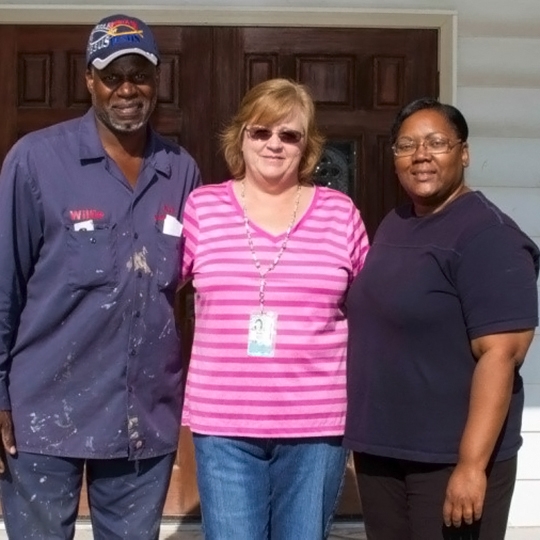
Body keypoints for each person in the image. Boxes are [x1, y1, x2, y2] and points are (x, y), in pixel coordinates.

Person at [0, 13, 200, 540]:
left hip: (144, 415)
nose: (127, 89)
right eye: (113, 75)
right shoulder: (36, 161)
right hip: (42, 411)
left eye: (140, 75)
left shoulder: (181, 170)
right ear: (90, 79)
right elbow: (4, 286)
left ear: (158, 80)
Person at [180, 78, 370, 539]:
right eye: (261, 131)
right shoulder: (202, 208)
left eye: (290, 135)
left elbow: (377, 306)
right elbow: (151, 291)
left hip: (316, 424)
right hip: (223, 422)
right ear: (240, 136)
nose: (274, 144)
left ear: (307, 147)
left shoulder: (339, 212)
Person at [344, 98, 539, 540]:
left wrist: (471, 466)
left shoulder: (490, 237)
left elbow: (501, 355)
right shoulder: (397, 222)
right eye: (406, 145)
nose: (421, 155)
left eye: (437, 143)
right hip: (385, 452)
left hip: (449, 459)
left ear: (464, 153)